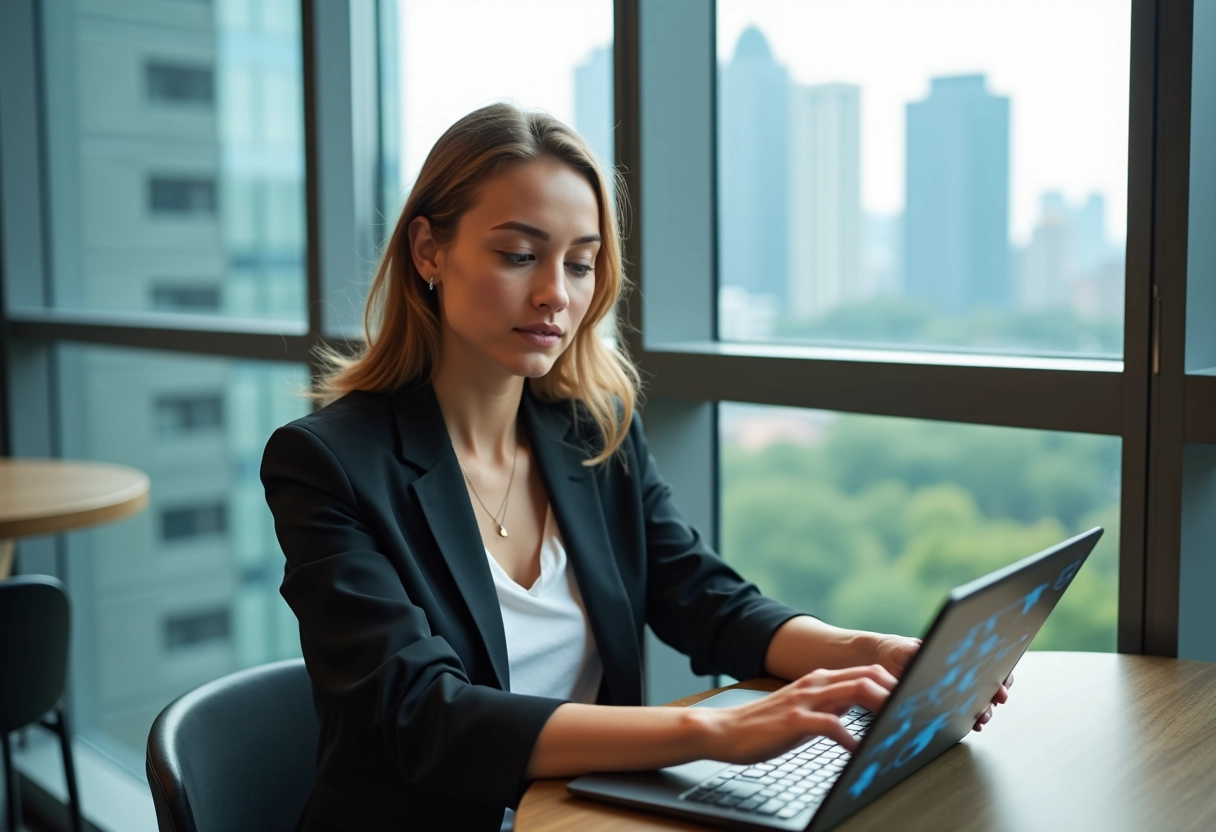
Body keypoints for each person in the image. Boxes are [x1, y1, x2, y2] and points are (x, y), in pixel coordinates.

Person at [260, 102, 1010, 832]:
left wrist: (872, 654)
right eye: (520, 255)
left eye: (580, 263)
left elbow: (710, 603)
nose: (557, 294)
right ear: (429, 251)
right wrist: (715, 734)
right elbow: (429, 716)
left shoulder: (591, 431)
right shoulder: (327, 464)